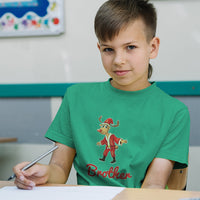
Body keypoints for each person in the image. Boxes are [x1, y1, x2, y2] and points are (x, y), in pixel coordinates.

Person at [13, 0, 190, 190]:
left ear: (152, 47)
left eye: (130, 47)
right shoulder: (76, 98)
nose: (118, 60)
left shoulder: (175, 112)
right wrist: (44, 173)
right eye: (108, 49)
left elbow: (154, 184)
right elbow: (59, 169)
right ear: (99, 49)